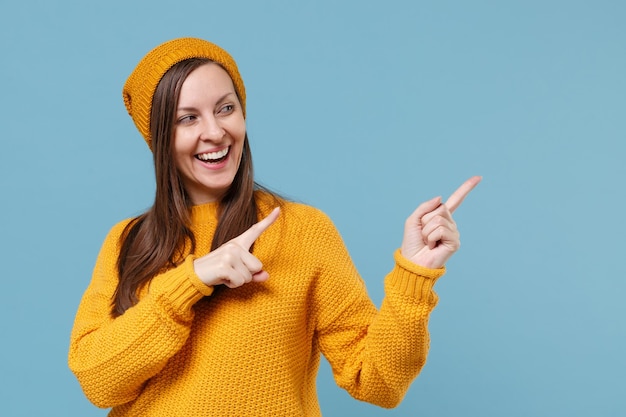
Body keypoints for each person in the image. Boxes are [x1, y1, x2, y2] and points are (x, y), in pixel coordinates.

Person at [68, 37, 480, 417]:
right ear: (158, 137)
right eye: (187, 118)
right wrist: (190, 281)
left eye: (226, 108)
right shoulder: (129, 241)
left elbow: (377, 382)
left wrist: (414, 277)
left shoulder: (303, 230)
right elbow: (98, 382)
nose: (215, 132)